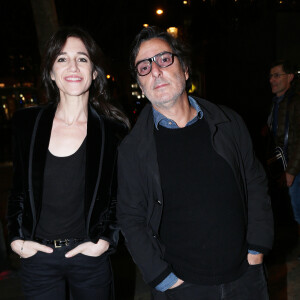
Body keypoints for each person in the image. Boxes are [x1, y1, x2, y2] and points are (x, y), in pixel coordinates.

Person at [117, 26, 273, 300]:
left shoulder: (229, 123)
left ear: (186, 69)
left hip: (244, 278)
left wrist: (257, 248)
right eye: (144, 67)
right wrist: (161, 278)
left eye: (164, 59)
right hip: (182, 288)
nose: (155, 71)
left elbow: (254, 180)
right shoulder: (132, 150)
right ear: (140, 85)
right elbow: (131, 218)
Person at [7, 27, 128, 300]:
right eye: (62, 58)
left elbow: (120, 196)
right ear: (50, 72)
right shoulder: (27, 124)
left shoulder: (113, 131)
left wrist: (106, 240)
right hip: (38, 258)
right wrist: (15, 238)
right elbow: (18, 190)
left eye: (82, 58)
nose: (72, 66)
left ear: (95, 72)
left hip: (89, 257)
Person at [267, 60, 300, 233]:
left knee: (297, 212)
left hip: (294, 167)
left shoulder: (296, 102)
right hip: (283, 166)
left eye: (277, 75)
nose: (272, 79)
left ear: (290, 77)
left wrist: (292, 171)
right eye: (271, 76)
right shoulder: (276, 103)